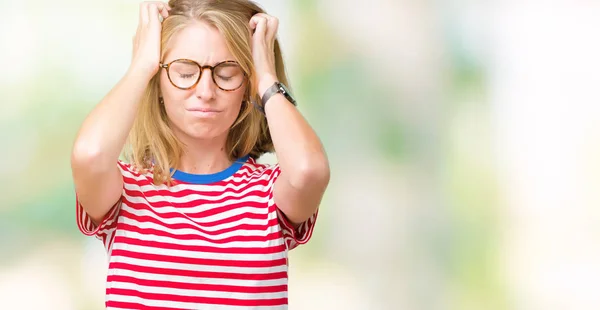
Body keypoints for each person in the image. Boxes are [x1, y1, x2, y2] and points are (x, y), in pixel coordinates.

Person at [70, 0, 330, 308]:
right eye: (183, 71)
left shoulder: (269, 193)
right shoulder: (126, 190)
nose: (205, 91)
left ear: (248, 85)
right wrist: (142, 65)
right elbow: (90, 154)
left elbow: (308, 171)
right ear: (158, 82)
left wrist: (268, 81)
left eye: (227, 72)